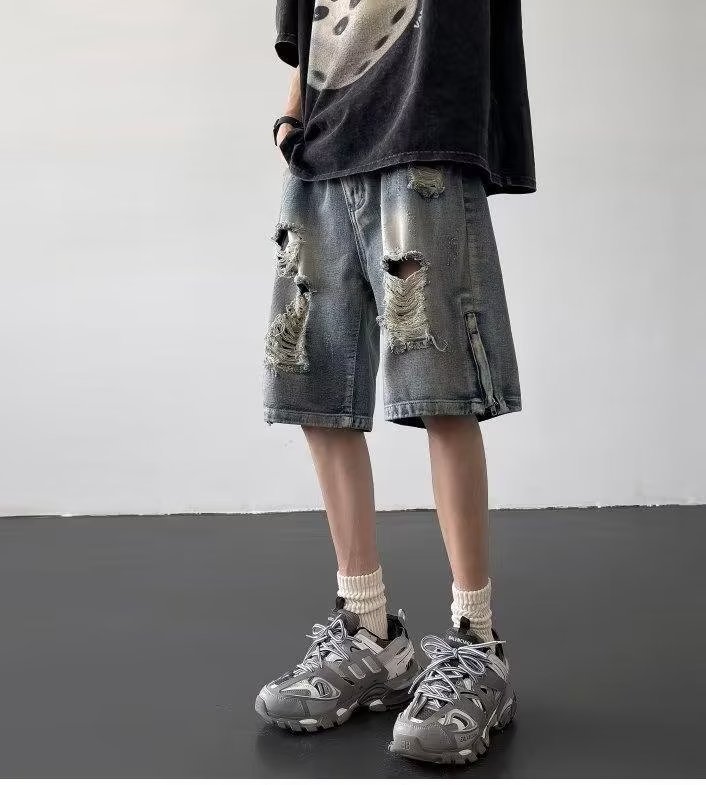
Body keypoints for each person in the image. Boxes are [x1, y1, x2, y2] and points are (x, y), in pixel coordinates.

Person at [255, 0, 535, 764]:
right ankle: (368, 630)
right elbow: (305, 20)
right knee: (315, 385)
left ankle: (478, 644)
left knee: (442, 391)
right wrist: (291, 115)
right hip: (320, 147)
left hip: (422, 136)